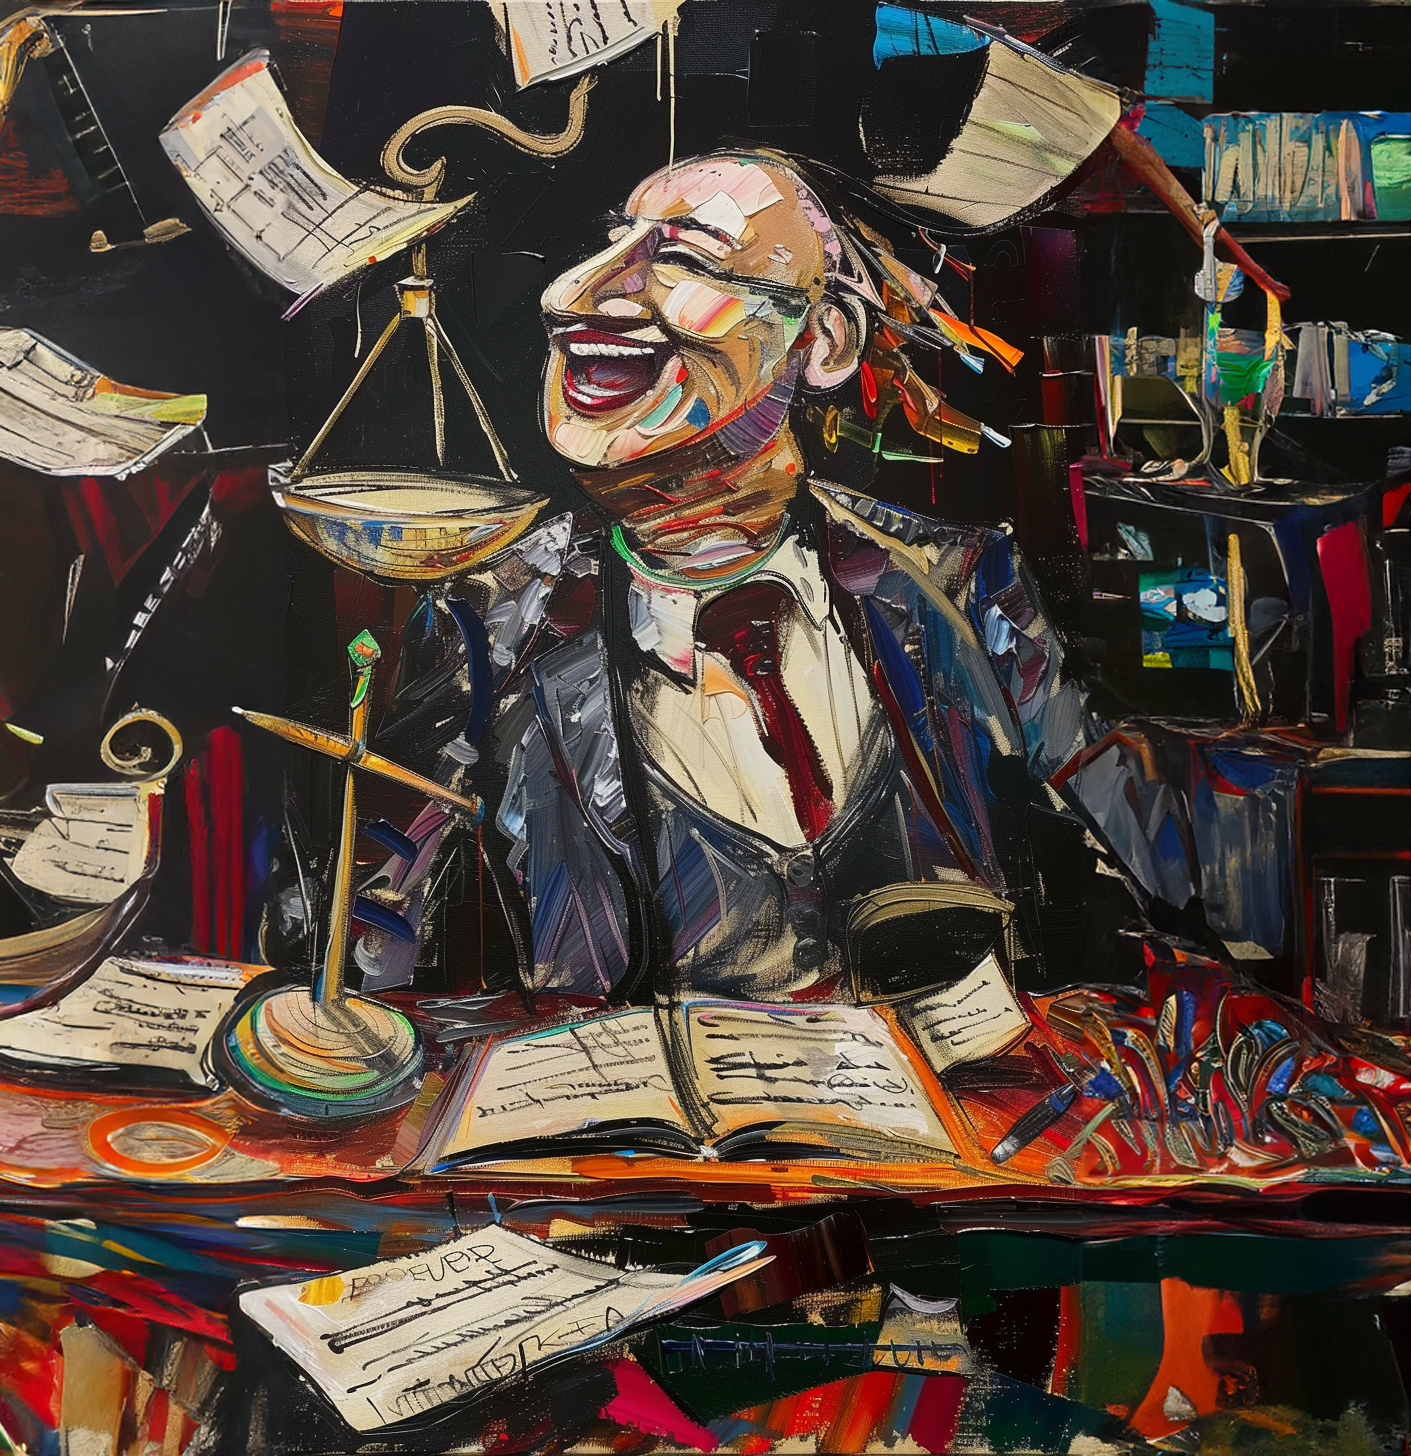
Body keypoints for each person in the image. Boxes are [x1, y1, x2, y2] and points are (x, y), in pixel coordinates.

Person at [419, 147, 1092, 1008]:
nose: (573, 293)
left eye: (684, 256)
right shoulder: (488, 621)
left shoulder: (961, 584)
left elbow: (1100, 869)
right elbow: (379, 954)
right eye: (609, 245)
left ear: (822, 339)